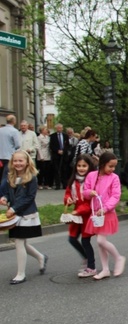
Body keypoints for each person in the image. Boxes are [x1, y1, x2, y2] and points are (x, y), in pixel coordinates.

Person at [0, 150, 48, 284]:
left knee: (19, 242)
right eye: (15, 161)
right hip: (14, 214)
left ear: (27, 162)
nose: (18, 163)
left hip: (26, 214)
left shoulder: (32, 177)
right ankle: (41, 257)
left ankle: (21, 274)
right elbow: (9, 193)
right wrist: (4, 198)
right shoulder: (11, 176)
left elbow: (29, 197)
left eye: (21, 161)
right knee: (21, 242)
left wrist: (14, 208)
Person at [83, 152, 125, 280]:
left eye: (114, 166)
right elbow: (85, 191)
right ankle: (105, 269)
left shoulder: (114, 178)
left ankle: (118, 257)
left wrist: (105, 208)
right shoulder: (91, 175)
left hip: (107, 213)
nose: (112, 169)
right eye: (110, 166)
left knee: (101, 240)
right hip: (96, 213)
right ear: (102, 164)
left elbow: (115, 195)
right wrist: (90, 192)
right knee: (101, 243)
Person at [64, 154, 97, 277]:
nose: (81, 168)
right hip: (76, 216)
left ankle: (91, 267)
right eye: (79, 165)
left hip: (86, 216)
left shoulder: (91, 181)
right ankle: (86, 257)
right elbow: (68, 193)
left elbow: (89, 203)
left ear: (89, 167)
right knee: (72, 239)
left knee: (85, 241)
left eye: (84, 166)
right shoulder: (73, 181)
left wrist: (79, 210)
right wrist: (68, 199)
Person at [0, 115, 21, 184]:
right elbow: (18, 145)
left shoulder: (1, 130)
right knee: (6, 175)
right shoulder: (14, 131)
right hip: (9, 156)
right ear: (14, 121)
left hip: (0, 156)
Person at [49, 123, 70, 190]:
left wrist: (64, 150)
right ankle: (57, 185)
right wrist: (57, 150)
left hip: (64, 155)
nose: (59, 129)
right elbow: (51, 146)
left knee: (64, 170)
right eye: (58, 128)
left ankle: (64, 184)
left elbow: (67, 145)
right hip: (56, 155)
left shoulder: (65, 136)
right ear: (56, 129)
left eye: (60, 128)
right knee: (56, 170)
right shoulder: (52, 136)